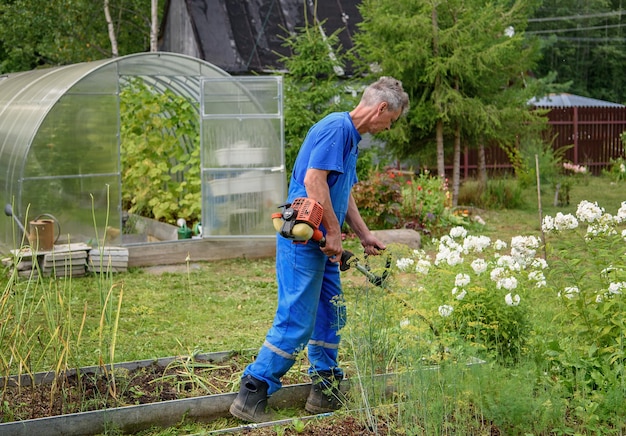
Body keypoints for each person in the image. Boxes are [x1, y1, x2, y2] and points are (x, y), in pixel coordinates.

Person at [229, 76, 410, 422]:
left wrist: (364, 233)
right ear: (381, 108)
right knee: (297, 319)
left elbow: (342, 192)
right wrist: (335, 235)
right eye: (392, 119)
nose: (390, 127)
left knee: (332, 313)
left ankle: (323, 389)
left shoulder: (350, 137)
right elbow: (314, 182)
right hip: (306, 241)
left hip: (324, 242)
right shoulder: (335, 129)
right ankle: (252, 391)